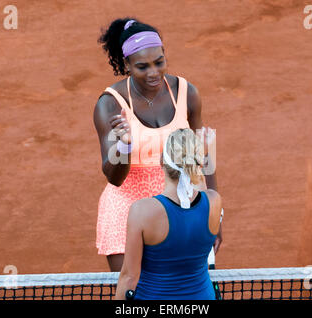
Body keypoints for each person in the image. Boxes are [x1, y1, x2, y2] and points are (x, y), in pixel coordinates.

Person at [94, 17, 221, 272]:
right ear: (127, 64)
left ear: (165, 55)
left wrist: (215, 212)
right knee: (135, 294)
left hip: (183, 203)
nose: (154, 73)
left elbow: (201, 156)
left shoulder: (187, 93)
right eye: (142, 66)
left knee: (192, 289)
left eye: (159, 62)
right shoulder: (110, 104)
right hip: (127, 210)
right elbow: (114, 177)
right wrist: (125, 146)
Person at [115, 128, 222, 300]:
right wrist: (204, 153)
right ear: (198, 162)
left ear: (161, 161)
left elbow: (129, 278)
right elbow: (200, 188)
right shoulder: (214, 202)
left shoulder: (142, 211)